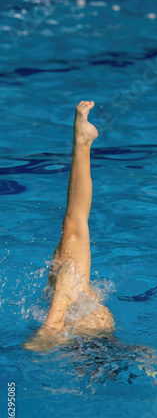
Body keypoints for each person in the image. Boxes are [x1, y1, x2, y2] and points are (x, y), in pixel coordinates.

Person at [24, 101, 114, 351]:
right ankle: (82, 142)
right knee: (72, 230)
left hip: (90, 345)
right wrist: (61, 302)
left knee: (71, 233)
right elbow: (35, 349)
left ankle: (82, 142)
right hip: (88, 339)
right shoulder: (77, 308)